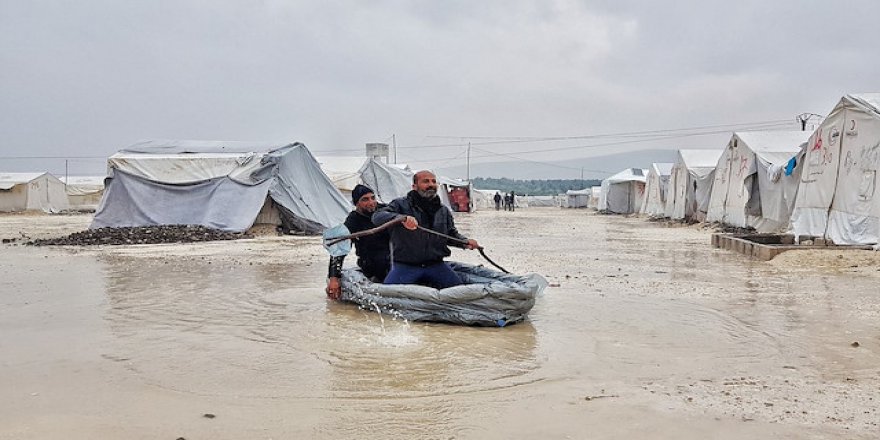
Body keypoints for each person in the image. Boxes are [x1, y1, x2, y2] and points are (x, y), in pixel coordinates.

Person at [372, 170, 479, 289]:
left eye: (434, 181)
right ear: (414, 186)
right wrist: (401, 218)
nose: (431, 184)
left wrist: (465, 242)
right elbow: (377, 217)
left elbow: (450, 235)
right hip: (405, 266)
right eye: (425, 181)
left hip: (436, 265)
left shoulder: (443, 210)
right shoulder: (400, 205)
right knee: (388, 297)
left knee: (460, 294)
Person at [326, 184, 391, 300]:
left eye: (373, 198)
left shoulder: (385, 211)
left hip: (394, 260)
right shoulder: (353, 221)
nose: (371, 202)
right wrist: (334, 278)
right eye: (365, 199)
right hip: (372, 265)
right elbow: (339, 249)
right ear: (357, 203)